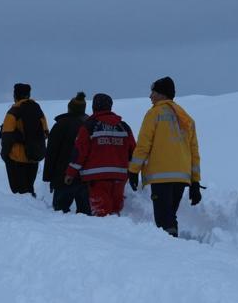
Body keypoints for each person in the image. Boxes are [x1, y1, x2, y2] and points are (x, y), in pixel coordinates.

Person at [128, 77, 202, 237]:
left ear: (161, 94)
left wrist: (133, 170)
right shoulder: (186, 118)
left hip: (161, 177)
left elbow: (143, 145)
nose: (150, 97)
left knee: (163, 220)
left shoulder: (154, 114)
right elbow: (194, 152)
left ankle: (169, 252)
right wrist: (195, 181)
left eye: (153, 92)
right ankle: (173, 247)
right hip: (181, 178)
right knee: (169, 217)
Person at [65, 93, 136, 216]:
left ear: (94, 107)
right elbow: (133, 152)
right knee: (115, 212)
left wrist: (70, 173)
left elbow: (80, 152)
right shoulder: (123, 127)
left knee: (101, 214)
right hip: (119, 177)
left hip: (96, 178)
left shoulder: (89, 126)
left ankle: (105, 233)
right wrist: (133, 172)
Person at [43, 92, 91, 214]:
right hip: (84, 176)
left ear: (69, 108)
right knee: (86, 214)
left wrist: (48, 176)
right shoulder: (90, 125)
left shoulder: (60, 125)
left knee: (60, 212)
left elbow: (51, 153)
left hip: (62, 175)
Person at [0, 83, 49, 196]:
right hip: (34, 157)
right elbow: (45, 133)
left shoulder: (13, 112)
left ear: (15, 95)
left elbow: (7, 136)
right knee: (29, 189)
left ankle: (26, 212)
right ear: (28, 94)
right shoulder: (37, 110)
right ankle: (34, 209)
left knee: (19, 192)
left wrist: (5, 155)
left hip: (17, 159)